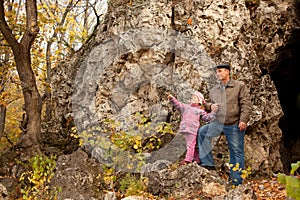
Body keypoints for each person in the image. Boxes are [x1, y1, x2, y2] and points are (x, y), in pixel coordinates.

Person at [197, 63, 252, 186]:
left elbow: (246, 105)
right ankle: (208, 164)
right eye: (217, 72)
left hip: (234, 124)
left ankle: (236, 181)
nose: (218, 74)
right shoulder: (214, 89)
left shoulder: (239, 86)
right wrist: (210, 106)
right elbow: (207, 104)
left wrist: (243, 120)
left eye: (220, 71)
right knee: (202, 132)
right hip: (218, 123)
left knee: (236, 152)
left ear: (227, 72)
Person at [168, 91, 218, 165]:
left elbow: (206, 118)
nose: (193, 99)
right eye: (192, 97)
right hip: (185, 129)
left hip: (192, 130)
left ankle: (188, 160)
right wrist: (172, 99)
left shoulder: (200, 111)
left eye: (195, 98)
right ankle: (197, 159)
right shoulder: (185, 107)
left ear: (199, 101)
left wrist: (213, 112)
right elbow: (178, 105)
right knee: (190, 145)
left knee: (190, 145)